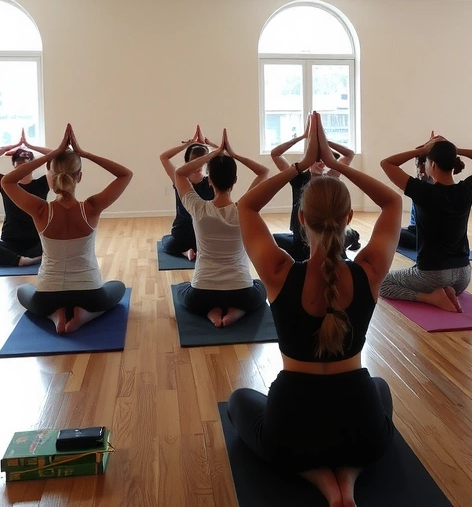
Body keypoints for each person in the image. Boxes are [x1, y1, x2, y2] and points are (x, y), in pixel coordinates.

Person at [228, 112, 402, 507]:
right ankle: (349, 477)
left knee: (240, 400)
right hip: (362, 429)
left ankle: (320, 477)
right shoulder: (369, 271)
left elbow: (246, 207)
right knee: (379, 388)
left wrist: (302, 165)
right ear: (349, 219)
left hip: (292, 431)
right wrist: (336, 164)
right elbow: (392, 200)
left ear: (301, 219)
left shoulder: (278, 272)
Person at [1, 124, 133, 334]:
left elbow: (8, 181)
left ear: (50, 179)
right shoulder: (91, 207)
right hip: (90, 294)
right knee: (117, 287)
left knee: (23, 290)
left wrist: (51, 155)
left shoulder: (40, 210)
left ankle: (55, 315)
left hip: (48, 296)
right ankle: (85, 315)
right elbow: (125, 174)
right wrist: (84, 154)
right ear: (79, 176)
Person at [379, 134, 472, 312]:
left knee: (382, 282)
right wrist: (452, 149)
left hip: (432, 275)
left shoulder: (423, 192)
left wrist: (423, 150)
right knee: (414, 270)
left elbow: (386, 163)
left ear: (432, 164)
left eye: (426, 160)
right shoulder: (466, 190)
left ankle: (430, 297)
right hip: (463, 276)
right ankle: (447, 292)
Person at [174, 128, 270, 327]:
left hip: (202, 293)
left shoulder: (198, 208)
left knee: (182, 289)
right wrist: (232, 154)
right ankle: (237, 311)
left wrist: (213, 153)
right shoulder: (245, 209)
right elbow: (264, 172)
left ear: (209, 181)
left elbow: (179, 173)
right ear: (235, 181)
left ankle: (211, 311)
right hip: (242, 292)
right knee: (262, 286)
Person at [270, 117, 360, 260]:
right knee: (276, 239)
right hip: (302, 239)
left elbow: (349, 154)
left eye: (324, 159)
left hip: (331, 234)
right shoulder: (299, 179)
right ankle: (353, 235)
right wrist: (303, 137)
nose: (321, 163)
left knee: (343, 242)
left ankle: (353, 235)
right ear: (309, 158)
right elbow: (275, 154)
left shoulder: (331, 177)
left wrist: (323, 141)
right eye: (317, 159)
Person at [0, 129, 52, 267]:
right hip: (10, 242)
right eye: (19, 165)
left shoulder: (43, 183)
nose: (23, 169)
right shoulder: (5, 183)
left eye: (27, 165)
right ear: (14, 166)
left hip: (36, 241)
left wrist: (31, 146)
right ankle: (20, 260)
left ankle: (18, 258)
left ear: (33, 165)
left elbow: (59, 157)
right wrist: (9, 148)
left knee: (53, 242)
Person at [160, 126, 216, 261]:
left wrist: (189, 144)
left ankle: (186, 252)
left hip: (189, 233)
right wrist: (211, 146)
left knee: (166, 242)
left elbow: (164, 157)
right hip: (205, 232)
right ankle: (193, 250)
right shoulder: (213, 180)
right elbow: (227, 159)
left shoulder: (179, 179)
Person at [397, 156, 432, 250]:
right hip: (415, 230)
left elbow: (387, 163)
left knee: (393, 233)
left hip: (427, 236)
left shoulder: (425, 187)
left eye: (420, 165)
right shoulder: (420, 184)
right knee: (391, 231)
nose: (419, 170)